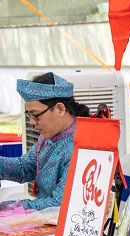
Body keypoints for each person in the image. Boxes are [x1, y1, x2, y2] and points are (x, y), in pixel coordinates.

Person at [0, 72, 90, 211]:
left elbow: (59, 204)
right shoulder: (50, 137)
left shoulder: (82, 146)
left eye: (35, 115)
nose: (31, 122)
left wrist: (10, 207)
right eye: (29, 115)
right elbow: (25, 168)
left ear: (60, 109)